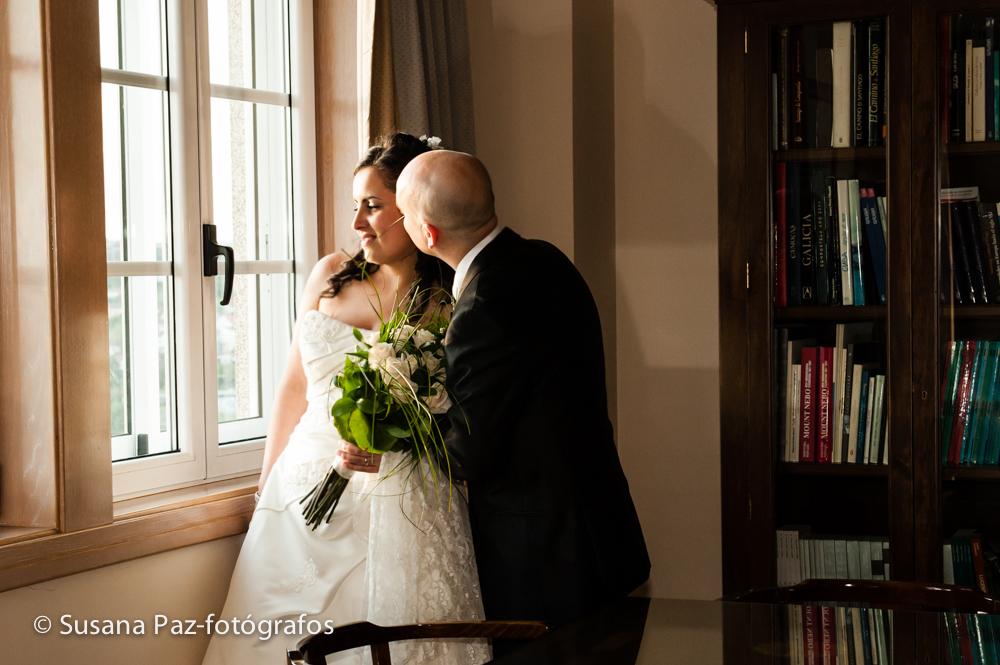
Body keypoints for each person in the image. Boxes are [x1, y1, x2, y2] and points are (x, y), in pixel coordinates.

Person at [202, 134, 490, 665]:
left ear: (412, 210)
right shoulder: (330, 274)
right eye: (355, 205)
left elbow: (459, 417)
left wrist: (395, 449)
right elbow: (293, 387)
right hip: (299, 492)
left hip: (391, 498)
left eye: (373, 206)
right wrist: (268, 488)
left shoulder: (446, 301)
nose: (358, 222)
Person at [396, 151, 651, 636]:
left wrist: (402, 425)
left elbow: (468, 453)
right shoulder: (547, 258)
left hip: (544, 558)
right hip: (601, 526)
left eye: (403, 214)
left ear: (428, 234)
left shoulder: (482, 304)